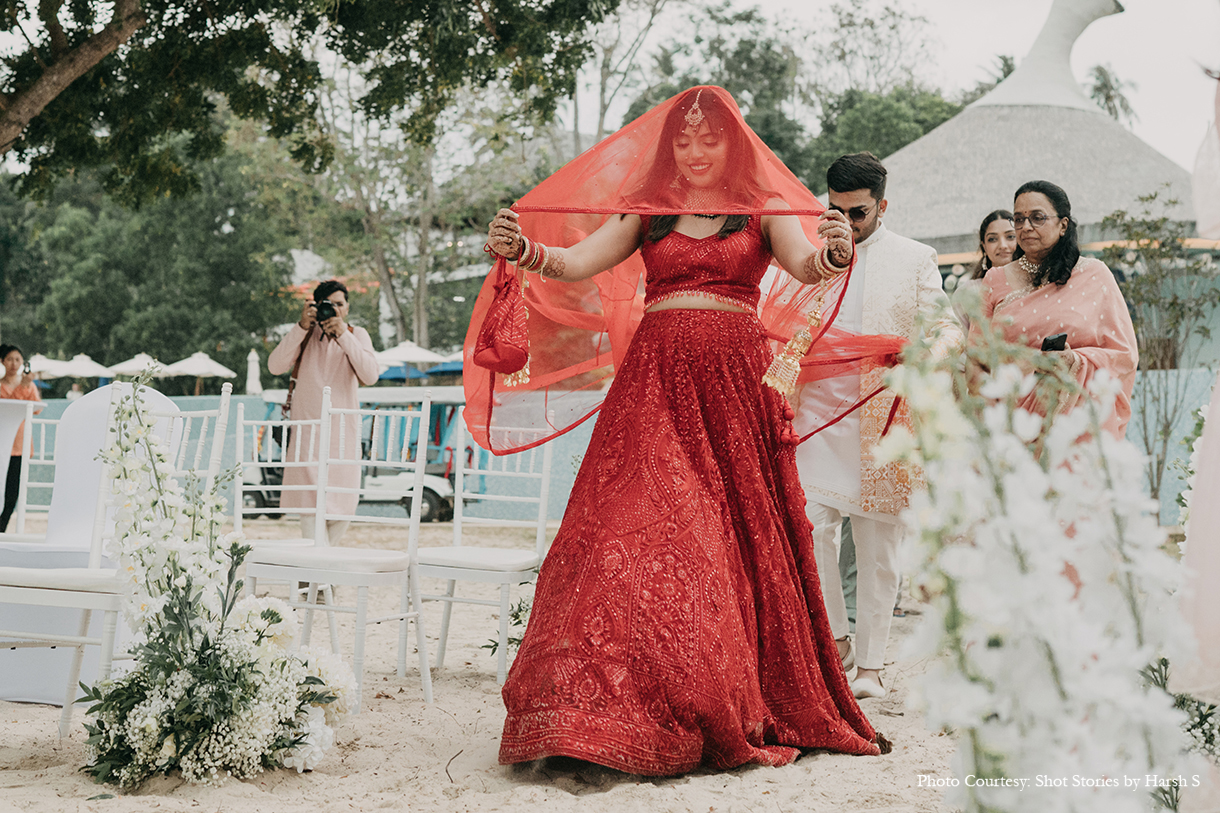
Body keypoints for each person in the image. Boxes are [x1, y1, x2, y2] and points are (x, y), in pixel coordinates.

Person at [478, 87, 887, 775]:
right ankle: (595, 709)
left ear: (733, 144)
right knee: (629, 526)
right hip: (654, 386)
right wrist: (525, 249)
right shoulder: (651, 212)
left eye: (710, 139)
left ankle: (703, 696)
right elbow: (577, 262)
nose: (696, 151)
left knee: (721, 536)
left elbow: (807, 265)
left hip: (733, 391)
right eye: (684, 140)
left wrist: (836, 253)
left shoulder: (761, 209)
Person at [792, 152, 963, 701]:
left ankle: (870, 666)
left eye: (858, 213)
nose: (846, 222)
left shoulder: (914, 258)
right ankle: (837, 638)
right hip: (818, 415)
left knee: (878, 549)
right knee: (809, 525)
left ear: (882, 207)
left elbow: (948, 331)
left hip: (883, 417)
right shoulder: (809, 254)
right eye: (836, 210)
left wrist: (921, 356)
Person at [969, 180, 1138, 438]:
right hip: (1013, 427)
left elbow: (1123, 355)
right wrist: (988, 423)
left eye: (1037, 218)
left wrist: (1074, 362)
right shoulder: (995, 279)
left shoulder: (1094, 275)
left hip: (1078, 424)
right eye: (1019, 219)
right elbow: (976, 359)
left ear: (1063, 225)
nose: (1026, 227)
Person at [267, 279, 378, 544]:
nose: (334, 310)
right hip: (307, 434)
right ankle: (319, 564)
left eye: (339, 304)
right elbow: (275, 366)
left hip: (343, 435)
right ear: (315, 306)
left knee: (343, 504)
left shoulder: (357, 334)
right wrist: (301, 326)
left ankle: (323, 562)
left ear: (347, 307)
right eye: (328, 305)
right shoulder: (304, 334)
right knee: (309, 508)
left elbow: (370, 375)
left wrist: (343, 335)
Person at [0, 344, 43, 531]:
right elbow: (9, 406)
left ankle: (2, 527)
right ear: (2, 361)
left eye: (17, 359)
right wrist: (22, 388)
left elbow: (36, 408)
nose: (14, 363)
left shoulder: (29, 384)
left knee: (12, 492)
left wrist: (26, 386)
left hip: (20, 444)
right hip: (2, 442)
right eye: (10, 359)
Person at [954, 210, 1016, 333]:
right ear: (984, 246)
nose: (1002, 245)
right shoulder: (968, 293)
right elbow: (958, 340)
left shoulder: (1036, 286)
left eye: (1010, 237)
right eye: (993, 239)